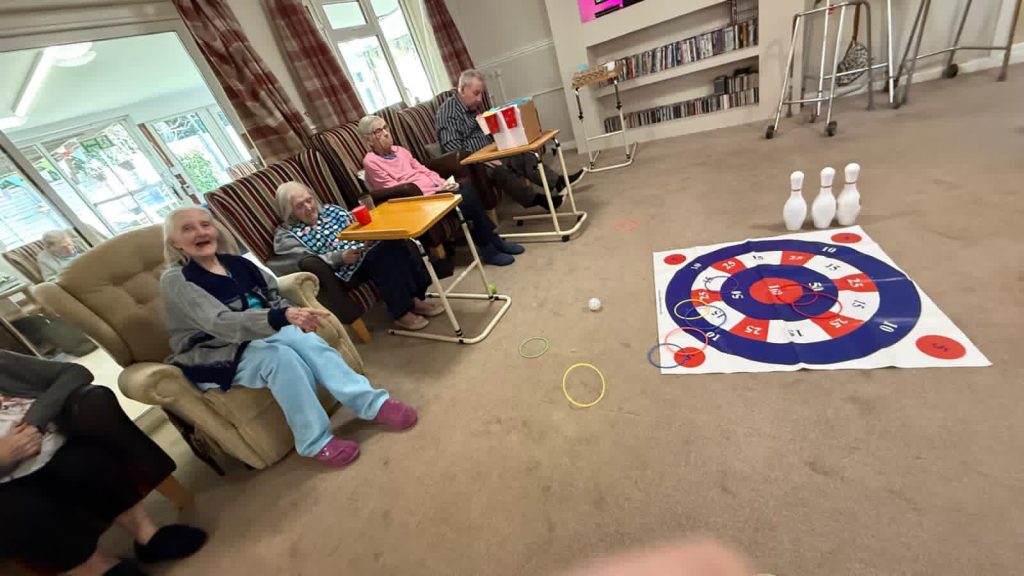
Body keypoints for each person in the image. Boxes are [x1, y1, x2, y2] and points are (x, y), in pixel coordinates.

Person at [161, 206, 417, 470]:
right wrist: (281, 317)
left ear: (215, 230)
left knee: (303, 338)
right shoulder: (177, 280)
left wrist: (292, 316)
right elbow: (219, 324)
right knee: (279, 358)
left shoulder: (238, 264)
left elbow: (273, 297)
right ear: (175, 243)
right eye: (187, 229)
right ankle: (315, 442)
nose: (200, 232)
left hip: (258, 334)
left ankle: (371, 403)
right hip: (216, 348)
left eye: (205, 224)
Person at [0, 351, 207, 576]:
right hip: (6, 485)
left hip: (53, 447)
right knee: (21, 511)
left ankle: (148, 537)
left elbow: (75, 373)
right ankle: (101, 568)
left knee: (88, 461)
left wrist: (35, 422)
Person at [273, 181, 443, 331]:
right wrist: (340, 257)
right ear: (290, 212)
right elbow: (304, 261)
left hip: (363, 250)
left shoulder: (330, 210)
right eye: (300, 206)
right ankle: (401, 312)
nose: (309, 207)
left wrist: (366, 237)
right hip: (340, 270)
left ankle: (414, 298)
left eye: (309, 200)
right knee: (382, 254)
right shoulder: (286, 235)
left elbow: (356, 225)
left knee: (397, 241)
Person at [360, 114, 525, 267]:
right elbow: (393, 190)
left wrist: (442, 184)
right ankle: (490, 246)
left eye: (385, 128)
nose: (386, 133)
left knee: (465, 186)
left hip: (434, 191)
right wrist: (432, 192)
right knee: (465, 194)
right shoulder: (371, 163)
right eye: (378, 131)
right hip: (415, 201)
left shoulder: (400, 150)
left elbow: (423, 169)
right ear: (369, 140)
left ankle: (492, 242)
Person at [436, 69, 583, 211]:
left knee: (522, 153)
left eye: (481, 94)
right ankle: (537, 200)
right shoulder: (448, 112)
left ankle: (558, 182)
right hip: (474, 164)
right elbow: (453, 148)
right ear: (462, 90)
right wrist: (483, 159)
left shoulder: (471, 106)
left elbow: (485, 131)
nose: (480, 99)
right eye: (476, 93)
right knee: (498, 170)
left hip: (490, 151)